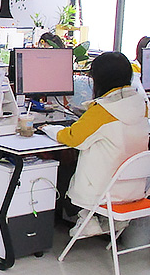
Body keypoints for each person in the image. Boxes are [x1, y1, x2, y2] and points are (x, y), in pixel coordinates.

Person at [41, 52, 150, 237]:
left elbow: (73, 137)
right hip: (134, 189)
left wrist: (48, 129)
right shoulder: (142, 105)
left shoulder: (102, 111)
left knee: (63, 166)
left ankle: (86, 218)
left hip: (103, 192)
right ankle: (109, 221)